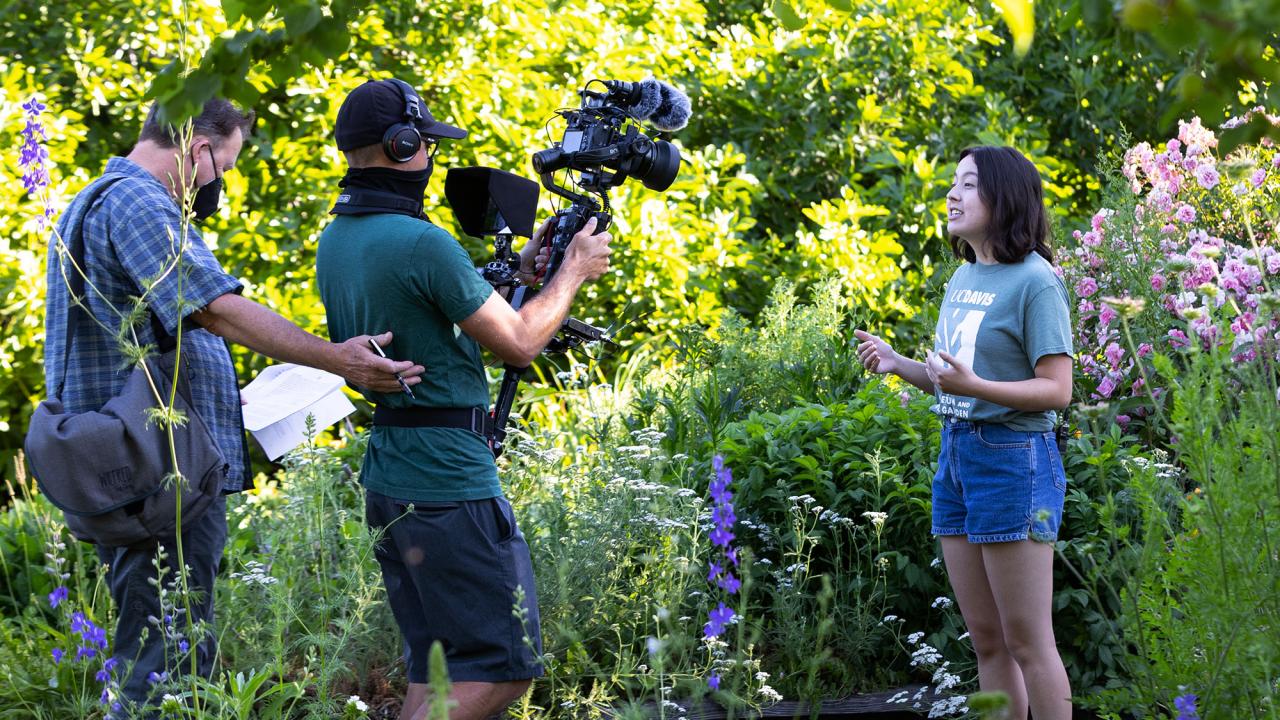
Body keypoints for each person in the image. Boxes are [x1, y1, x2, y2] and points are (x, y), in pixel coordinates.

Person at [42, 97, 425, 713]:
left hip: (136, 464)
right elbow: (214, 306)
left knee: (167, 643)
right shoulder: (138, 202)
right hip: (157, 474)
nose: (221, 180)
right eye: (226, 162)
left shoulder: (93, 200)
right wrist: (336, 357)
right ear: (199, 150)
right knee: (166, 659)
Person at [315, 78, 612, 720]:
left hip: (392, 477)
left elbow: (431, 304)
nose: (429, 157)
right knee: (505, 669)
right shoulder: (423, 242)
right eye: (423, 143)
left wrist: (528, 265)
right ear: (400, 146)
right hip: (449, 484)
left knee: (437, 667)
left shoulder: (338, 238)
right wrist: (573, 270)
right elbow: (522, 344)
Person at [854, 146, 1074, 719]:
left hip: (1014, 459)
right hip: (957, 457)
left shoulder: (1036, 283)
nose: (952, 194)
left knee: (1029, 642)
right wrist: (900, 364)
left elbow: (1057, 390)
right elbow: (956, 381)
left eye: (968, 184)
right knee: (987, 639)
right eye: (953, 183)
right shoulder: (964, 277)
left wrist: (976, 386)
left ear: (1004, 197)